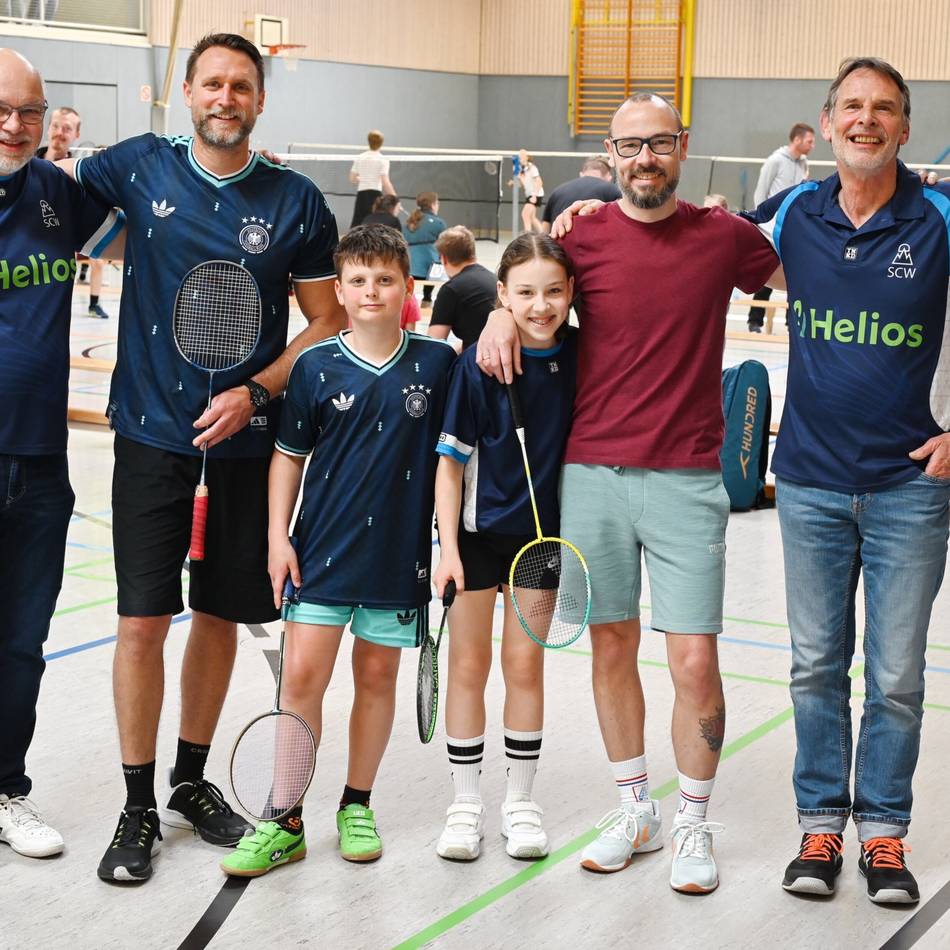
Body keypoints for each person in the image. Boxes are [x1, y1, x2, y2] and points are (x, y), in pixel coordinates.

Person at [477, 92, 780, 893]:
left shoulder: (726, 238)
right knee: (611, 646)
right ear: (610, 153)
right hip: (592, 476)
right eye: (629, 145)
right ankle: (636, 809)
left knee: (694, 661)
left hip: (688, 478)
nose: (645, 158)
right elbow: (524, 285)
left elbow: (812, 274)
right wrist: (496, 317)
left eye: (659, 143)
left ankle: (693, 822)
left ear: (683, 145)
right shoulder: (582, 238)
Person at [64, 32, 346, 883]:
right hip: (152, 431)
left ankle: (189, 781)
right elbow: (44, 195)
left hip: (246, 441)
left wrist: (257, 392)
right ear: (186, 92)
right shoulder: (138, 166)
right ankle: (137, 804)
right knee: (141, 621)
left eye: (241, 86)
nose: (226, 97)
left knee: (221, 614)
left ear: (259, 100)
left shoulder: (297, 201)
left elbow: (327, 321)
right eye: (213, 83)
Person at [743, 57, 950, 906]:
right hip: (810, 483)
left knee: (896, 677)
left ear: (905, 127)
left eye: (884, 108)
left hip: (912, 488)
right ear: (827, 124)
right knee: (815, 666)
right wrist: (577, 227)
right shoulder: (795, 211)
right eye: (853, 107)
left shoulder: (940, 217)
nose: (867, 120)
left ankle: (885, 833)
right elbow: (685, 247)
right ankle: (821, 823)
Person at [221, 226, 456, 877]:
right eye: (358, 280)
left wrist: (446, 546)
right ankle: (284, 820)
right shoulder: (315, 366)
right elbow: (288, 458)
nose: (371, 290)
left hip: (397, 558)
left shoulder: (438, 366)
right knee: (301, 681)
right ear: (341, 290)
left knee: (376, 679)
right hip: (320, 552)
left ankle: (357, 804)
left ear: (407, 287)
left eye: (384, 279)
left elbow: (450, 464)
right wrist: (278, 536)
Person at [0, 49, 123, 859]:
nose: (15, 126)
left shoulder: (55, 193)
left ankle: (5, 787)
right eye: (1, 110)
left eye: (30, 112)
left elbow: (149, 233)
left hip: (40, 463)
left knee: (20, 643)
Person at [432, 233, 577, 862]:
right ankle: (465, 805)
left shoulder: (582, 355)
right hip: (475, 539)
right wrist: (447, 549)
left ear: (571, 293)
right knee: (469, 667)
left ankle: (520, 802)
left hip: (540, 540)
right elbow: (449, 465)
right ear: (502, 295)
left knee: (524, 668)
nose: (540, 305)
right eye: (525, 293)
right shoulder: (479, 364)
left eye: (553, 291)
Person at [37, 106, 111, 318]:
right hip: (30, 242)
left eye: (67, 128)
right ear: (48, 128)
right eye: (56, 126)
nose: (59, 132)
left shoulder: (79, 174)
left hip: (64, 243)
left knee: (97, 261)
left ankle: (94, 304)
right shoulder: (27, 165)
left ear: (76, 134)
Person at [747, 122, 814, 331]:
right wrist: (760, 225)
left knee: (796, 273)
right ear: (797, 139)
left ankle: (791, 321)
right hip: (771, 227)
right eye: (809, 141)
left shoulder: (803, 163)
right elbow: (761, 192)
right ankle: (754, 320)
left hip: (795, 227)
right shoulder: (775, 160)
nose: (812, 145)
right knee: (768, 271)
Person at [428, 225, 497, 351]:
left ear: (444, 259)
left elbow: (433, 345)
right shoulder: (494, 279)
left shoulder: (451, 290)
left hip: (481, 358)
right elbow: (476, 337)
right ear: (472, 253)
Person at [541, 156, 620, 231]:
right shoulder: (613, 190)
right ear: (609, 177)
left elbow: (545, 226)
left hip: (559, 239)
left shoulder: (557, 191)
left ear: (581, 174)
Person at [404, 190, 445, 307]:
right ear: (433, 205)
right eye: (437, 203)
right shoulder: (438, 223)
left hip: (409, 267)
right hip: (429, 271)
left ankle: (407, 304)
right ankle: (427, 299)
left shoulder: (408, 223)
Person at [349, 129, 395, 229]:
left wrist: (363, 178)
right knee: (375, 226)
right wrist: (395, 198)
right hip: (375, 196)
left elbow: (352, 179)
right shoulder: (383, 159)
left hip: (362, 195)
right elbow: (385, 182)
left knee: (358, 225)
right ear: (381, 143)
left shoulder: (360, 157)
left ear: (368, 141)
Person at [512, 149, 544, 234]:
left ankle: (527, 235)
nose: (520, 158)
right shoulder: (520, 170)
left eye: (522, 156)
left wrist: (534, 196)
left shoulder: (532, 168)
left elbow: (539, 182)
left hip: (536, 194)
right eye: (519, 156)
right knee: (532, 218)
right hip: (529, 194)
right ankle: (544, 235)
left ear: (527, 157)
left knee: (525, 214)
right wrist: (514, 183)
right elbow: (522, 185)